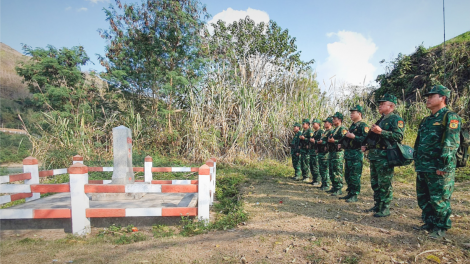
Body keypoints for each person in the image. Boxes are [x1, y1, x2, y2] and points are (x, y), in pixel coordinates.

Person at [414, 85, 461, 239]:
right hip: (424, 166)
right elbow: (419, 142)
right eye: (427, 96)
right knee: (424, 196)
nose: (428, 99)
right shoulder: (426, 120)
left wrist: (443, 165)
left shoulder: (450, 117)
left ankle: (441, 227)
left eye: (431, 96)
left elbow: (451, 143)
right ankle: (429, 222)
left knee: (439, 198)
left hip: (438, 167)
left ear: (442, 98)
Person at [361, 94, 404, 217]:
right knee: (375, 182)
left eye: (382, 104)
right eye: (379, 104)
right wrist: (367, 146)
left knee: (384, 182)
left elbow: (399, 136)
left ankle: (385, 208)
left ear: (390, 106)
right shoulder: (381, 119)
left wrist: (381, 131)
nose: (379, 106)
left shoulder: (395, 119)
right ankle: (377, 204)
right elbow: (374, 138)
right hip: (375, 155)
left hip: (385, 156)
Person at [340, 105, 369, 203]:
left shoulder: (363, 125)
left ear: (359, 114)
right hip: (349, 154)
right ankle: (350, 193)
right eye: (351, 113)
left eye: (353, 113)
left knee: (355, 175)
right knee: (348, 174)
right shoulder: (352, 125)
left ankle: (354, 194)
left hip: (356, 154)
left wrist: (354, 137)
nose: (351, 115)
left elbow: (366, 140)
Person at [327, 112, 348, 196]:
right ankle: (334, 187)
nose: (333, 120)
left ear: (339, 120)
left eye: (335, 119)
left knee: (337, 170)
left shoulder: (342, 129)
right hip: (332, 152)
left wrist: (334, 141)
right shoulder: (334, 130)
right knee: (332, 170)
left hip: (338, 153)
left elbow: (344, 141)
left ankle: (338, 188)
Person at [316, 117, 333, 190]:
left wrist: (322, 142)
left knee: (325, 169)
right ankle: (323, 183)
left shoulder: (330, 132)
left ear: (330, 123)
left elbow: (329, 142)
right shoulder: (324, 132)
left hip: (325, 153)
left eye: (326, 122)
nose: (325, 123)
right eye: (324, 122)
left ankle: (327, 185)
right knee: (321, 169)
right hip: (321, 152)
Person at [309, 118, 324, 185]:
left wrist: (314, 141)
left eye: (314, 124)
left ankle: (317, 180)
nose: (313, 125)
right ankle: (314, 179)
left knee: (315, 166)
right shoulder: (315, 132)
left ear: (318, 124)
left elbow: (320, 142)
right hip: (312, 151)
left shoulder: (321, 132)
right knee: (312, 166)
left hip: (316, 152)